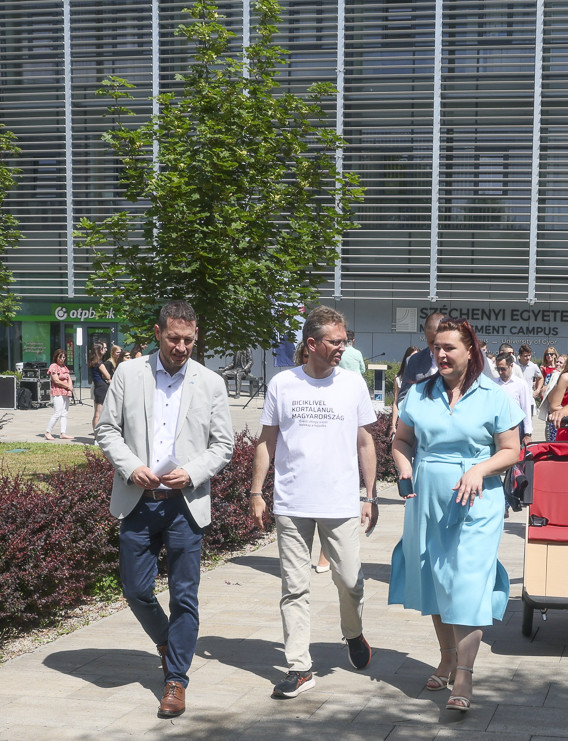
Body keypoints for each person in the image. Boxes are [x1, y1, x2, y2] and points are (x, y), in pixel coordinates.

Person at [96, 300, 235, 718]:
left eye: (188, 340)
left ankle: (176, 681)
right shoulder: (129, 373)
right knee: (136, 590)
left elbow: (222, 445)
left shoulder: (210, 382)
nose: (181, 347)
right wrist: (131, 466)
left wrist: (192, 473)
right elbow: (107, 429)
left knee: (184, 596)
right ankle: (168, 642)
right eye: (173, 338)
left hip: (184, 506)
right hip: (138, 501)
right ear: (158, 333)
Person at [389, 318, 523, 712]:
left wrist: (479, 469)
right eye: (437, 347)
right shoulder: (420, 392)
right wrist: (403, 466)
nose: (441, 354)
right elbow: (402, 440)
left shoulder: (494, 395)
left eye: (449, 348)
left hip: (477, 500)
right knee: (434, 577)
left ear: (471, 351)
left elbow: (512, 450)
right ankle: (447, 656)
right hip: (427, 496)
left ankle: (464, 674)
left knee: (467, 582)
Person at [249, 306, 379, 699]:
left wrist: (370, 495)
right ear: (311, 343)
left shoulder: (352, 384)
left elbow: (365, 442)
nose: (342, 347)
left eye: (344, 341)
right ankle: (299, 667)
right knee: (294, 587)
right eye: (335, 342)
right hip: (292, 503)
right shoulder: (283, 384)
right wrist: (256, 492)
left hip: (340, 502)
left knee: (351, 581)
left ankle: (353, 632)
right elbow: (267, 441)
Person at [391, 313, 445, 437]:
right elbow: (403, 397)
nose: (436, 348)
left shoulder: (460, 360)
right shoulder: (413, 361)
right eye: (432, 342)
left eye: (440, 342)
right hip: (420, 432)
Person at [494, 352, 534, 446]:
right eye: (498, 369)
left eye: (503, 369)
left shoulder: (521, 384)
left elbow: (526, 409)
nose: (500, 372)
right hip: (497, 426)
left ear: (511, 366)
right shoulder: (493, 384)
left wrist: (528, 433)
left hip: (516, 426)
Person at [44, 350, 73, 441]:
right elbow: (56, 380)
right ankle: (48, 432)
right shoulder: (53, 366)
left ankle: (63, 433)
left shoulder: (64, 367)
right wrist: (67, 386)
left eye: (63, 357)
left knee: (64, 413)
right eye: (60, 357)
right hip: (58, 392)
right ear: (56, 357)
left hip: (65, 392)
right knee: (57, 413)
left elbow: (69, 378)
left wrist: (70, 389)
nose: (62, 359)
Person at [89, 346, 109, 430]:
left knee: (96, 413)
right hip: (102, 387)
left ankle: (95, 433)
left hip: (97, 386)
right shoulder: (99, 363)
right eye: (103, 348)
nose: (105, 350)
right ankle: (97, 434)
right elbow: (108, 376)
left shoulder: (92, 361)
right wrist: (106, 376)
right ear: (99, 350)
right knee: (98, 413)